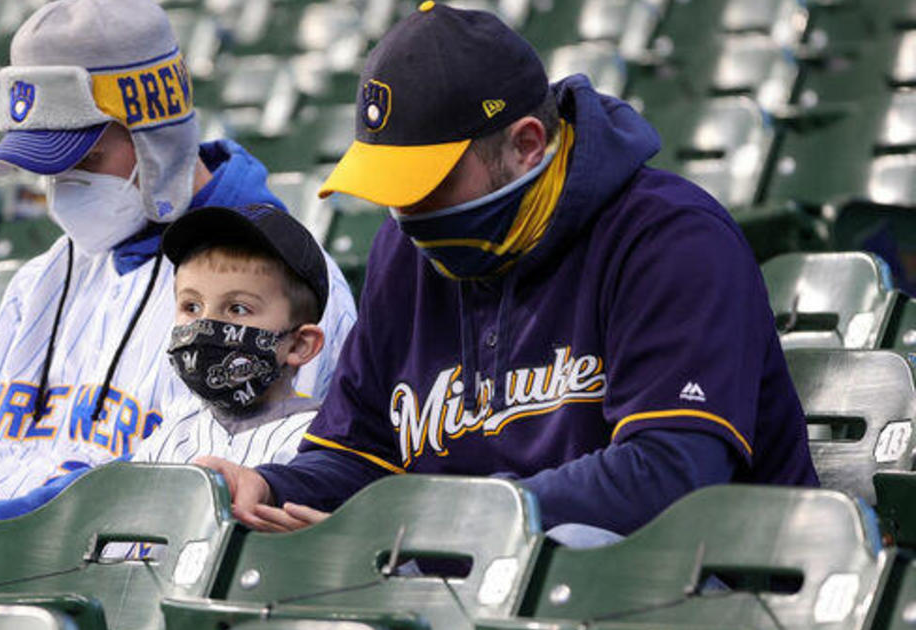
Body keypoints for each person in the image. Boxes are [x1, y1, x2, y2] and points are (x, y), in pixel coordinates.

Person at [198, 2, 818, 541]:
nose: (405, 210)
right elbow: (362, 456)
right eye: (391, 185)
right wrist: (269, 486)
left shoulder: (670, 238)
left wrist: (430, 523)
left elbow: (670, 475)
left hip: (698, 584)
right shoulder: (405, 250)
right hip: (461, 580)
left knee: (578, 542)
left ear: (526, 143)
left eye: (429, 181)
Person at [0, 0, 356, 521]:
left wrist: (6, 528)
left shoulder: (286, 286)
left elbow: (222, 486)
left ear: (156, 136)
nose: (63, 182)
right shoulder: (45, 274)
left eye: (86, 158)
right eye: (49, 165)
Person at [134, 204, 331, 467]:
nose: (205, 325)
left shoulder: (320, 444)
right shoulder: (169, 436)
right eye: (191, 306)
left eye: (238, 309)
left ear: (299, 345)